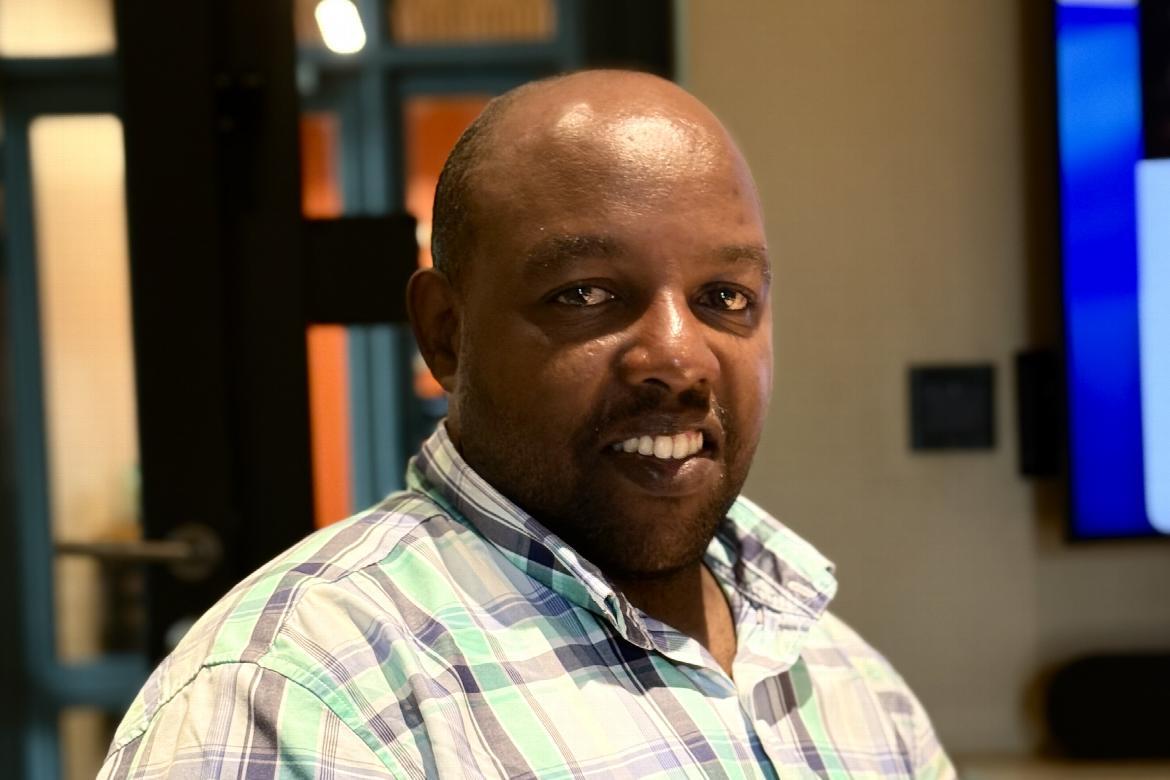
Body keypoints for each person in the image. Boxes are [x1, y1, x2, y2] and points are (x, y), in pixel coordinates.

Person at [99, 70, 955, 779]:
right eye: (585, 294)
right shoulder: (301, 699)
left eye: (724, 298)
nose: (677, 357)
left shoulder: (850, 686)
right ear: (446, 334)